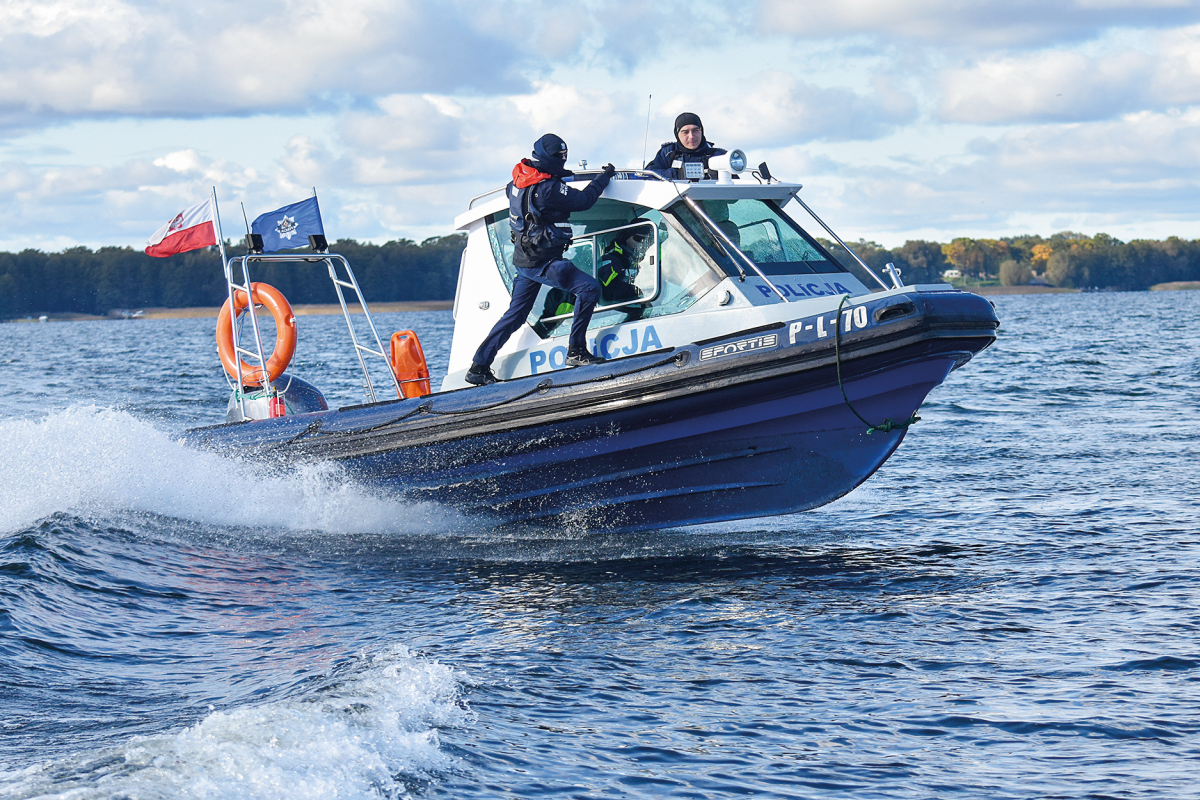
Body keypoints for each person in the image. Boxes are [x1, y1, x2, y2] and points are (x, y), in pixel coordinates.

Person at [466, 134, 615, 386]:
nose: (563, 161)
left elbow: (535, 195)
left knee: (515, 315)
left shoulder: (516, 181)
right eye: (560, 158)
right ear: (549, 159)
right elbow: (584, 200)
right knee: (589, 288)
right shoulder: (548, 189)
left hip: (524, 261)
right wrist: (604, 177)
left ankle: (478, 367)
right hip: (543, 262)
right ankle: (576, 351)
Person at [644, 112, 726, 179]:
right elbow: (648, 174)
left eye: (695, 130)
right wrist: (676, 174)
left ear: (702, 131)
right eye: (685, 132)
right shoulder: (668, 153)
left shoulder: (719, 156)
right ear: (677, 134)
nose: (691, 136)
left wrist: (718, 175)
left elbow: (736, 182)